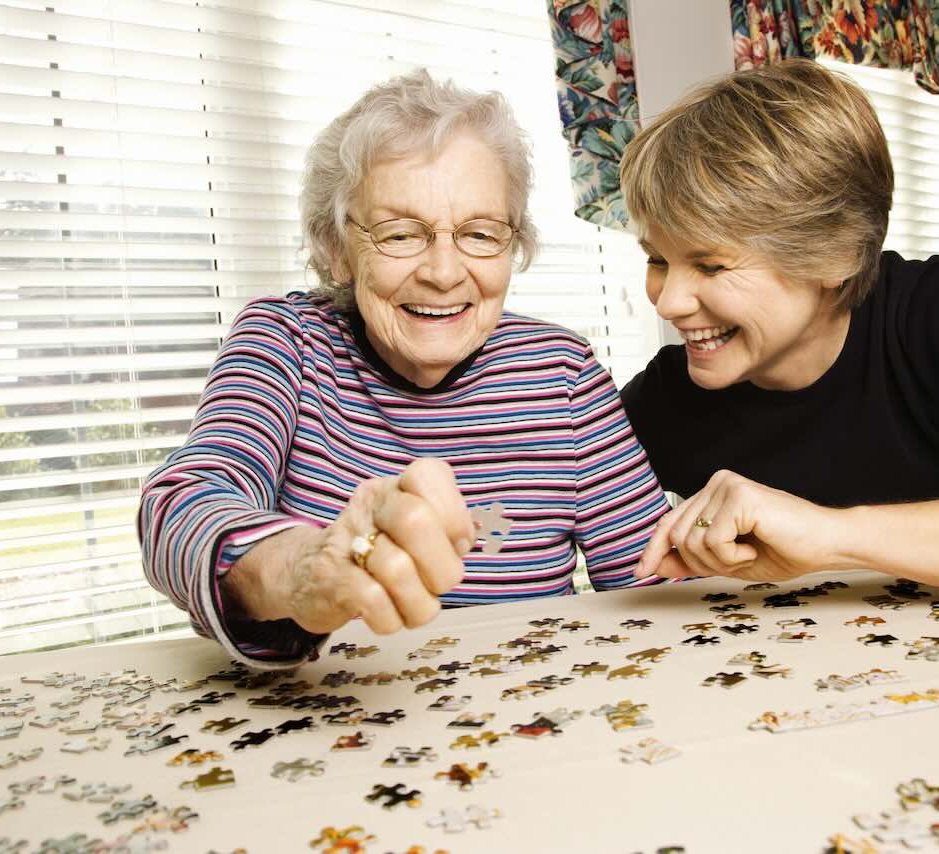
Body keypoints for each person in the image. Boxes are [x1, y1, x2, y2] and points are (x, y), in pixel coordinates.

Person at [138, 70, 670, 668]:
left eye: (479, 234)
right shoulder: (285, 341)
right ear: (336, 248)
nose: (443, 273)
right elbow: (181, 505)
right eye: (399, 234)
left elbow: (655, 583)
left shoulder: (563, 373)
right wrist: (305, 568)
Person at [618, 59, 939, 599]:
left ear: (834, 254)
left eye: (710, 265)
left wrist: (833, 535)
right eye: (657, 259)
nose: (669, 301)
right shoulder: (666, 395)